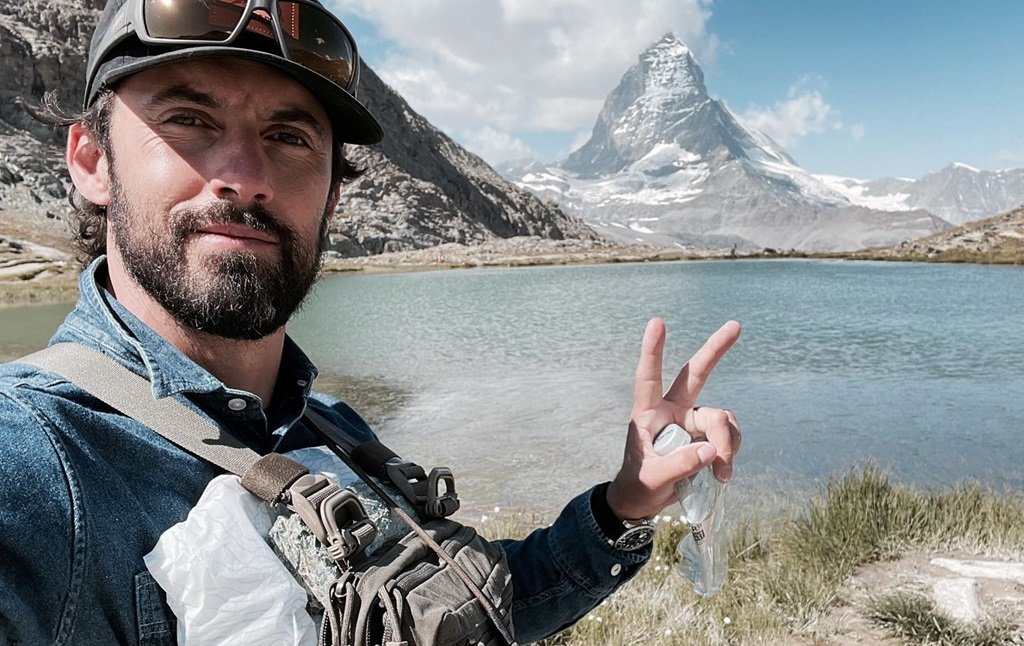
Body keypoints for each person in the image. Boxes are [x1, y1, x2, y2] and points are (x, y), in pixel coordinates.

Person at [0, 0, 742, 643]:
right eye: (190, 120)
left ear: (330, 200)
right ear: (92, 161)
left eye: (290, 137)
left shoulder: (328, 429)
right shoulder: (36, 456)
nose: (247, 176)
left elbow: (477, 606)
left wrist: (624, 506)